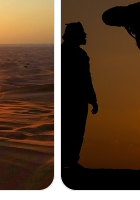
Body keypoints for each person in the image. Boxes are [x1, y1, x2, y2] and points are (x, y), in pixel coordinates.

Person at [61, 22, 98, 169]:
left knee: (76, 131)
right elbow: (84, 78)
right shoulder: (70, 54)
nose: (85, 35)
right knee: (70, 130)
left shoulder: (80, 54)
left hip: (78, 99)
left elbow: (86, 78)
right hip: (71, 99)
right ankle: (68, 162)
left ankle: (71, 161)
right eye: (82, 32)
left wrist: (92, 99)